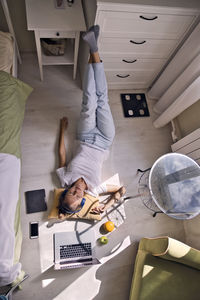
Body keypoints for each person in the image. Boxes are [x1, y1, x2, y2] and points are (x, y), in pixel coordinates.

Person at [56, 25, 126, 219]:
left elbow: (61, 153)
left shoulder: (65, 178)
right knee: (102, 99)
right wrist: (106, 205)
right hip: (104, 139)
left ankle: (93, 47)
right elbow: (122, 189)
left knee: (89, 101)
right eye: (78, 196)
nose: (76, 191)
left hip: (85, 136)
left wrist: (62, 130)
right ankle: (93, 48)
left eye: (71, 193)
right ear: (83, 200)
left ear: (66, 191)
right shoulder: (94, 189)